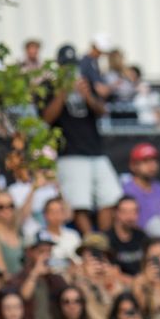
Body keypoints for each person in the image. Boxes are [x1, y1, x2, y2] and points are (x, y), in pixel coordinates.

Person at [39, 44, 119, 234]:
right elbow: (46, 118)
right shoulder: (48, 86)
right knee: (79, 203)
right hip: (70, 152)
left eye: (73, 65)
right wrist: (63, 92)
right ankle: (90, 240)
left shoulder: (85, 82)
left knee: (111, 196)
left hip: (95, 150)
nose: (70, 70)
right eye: (66, 66)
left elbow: (102, 111)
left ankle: (102, 241)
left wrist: (87, 96)